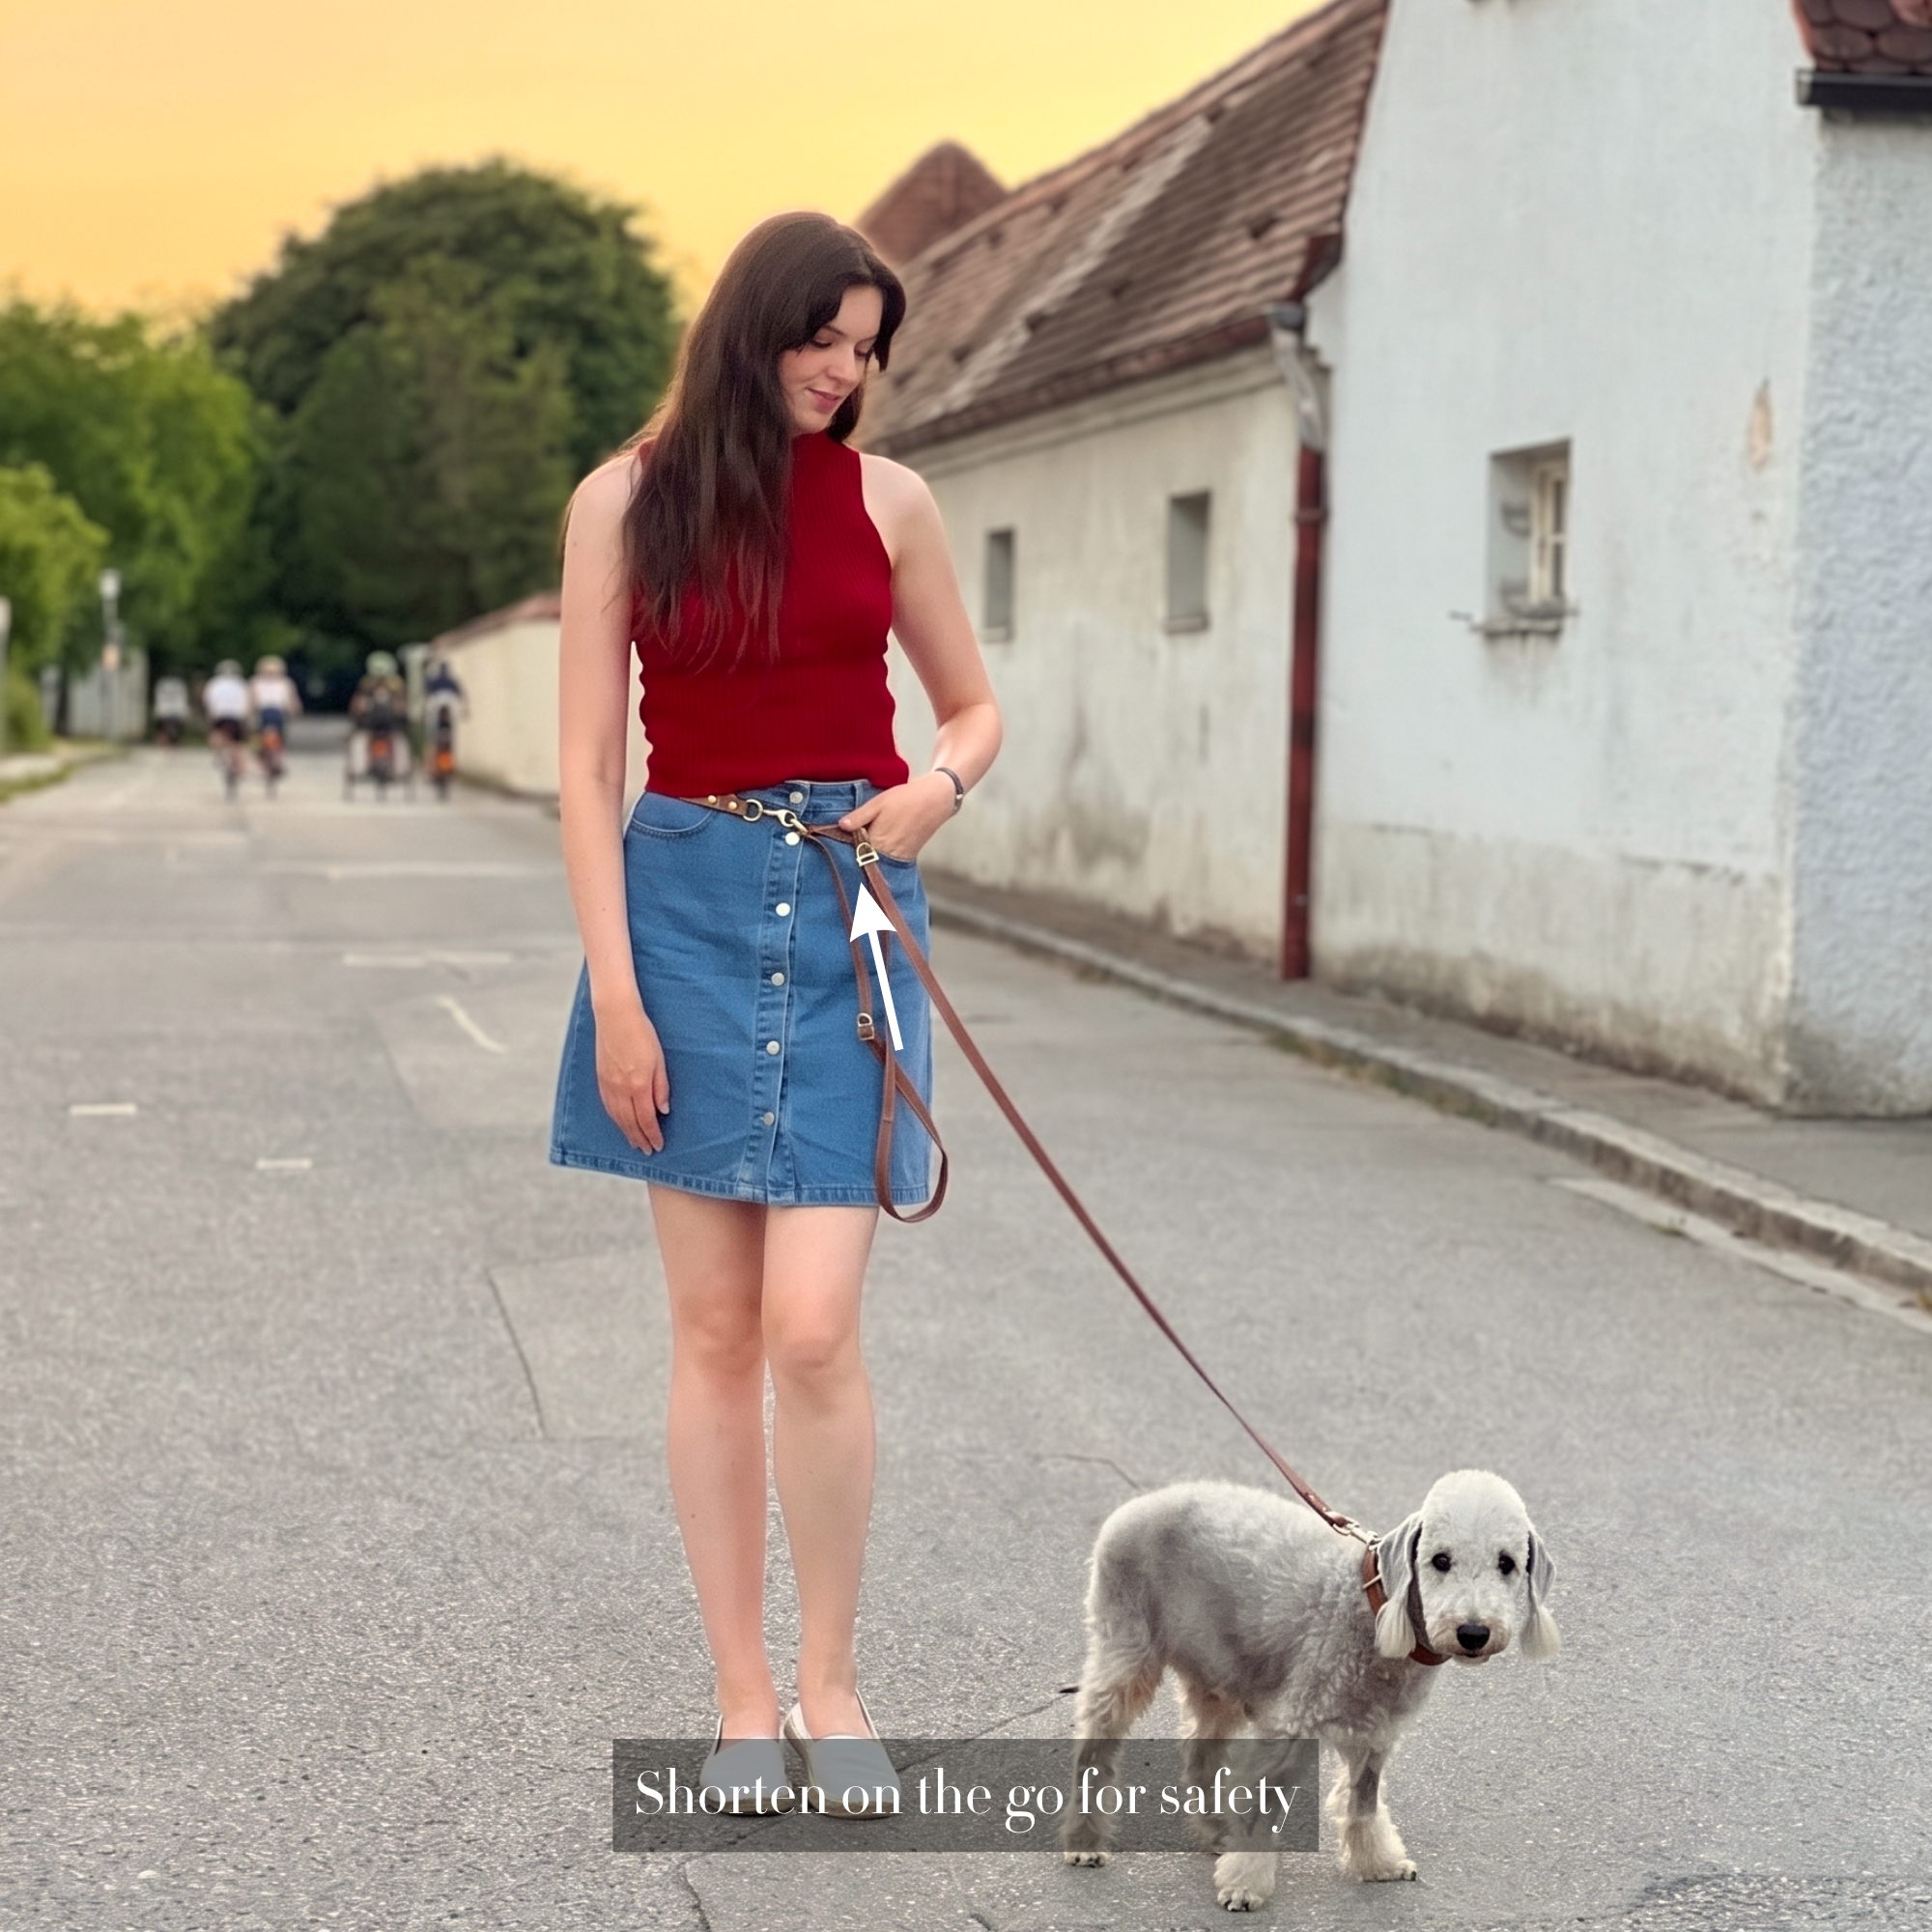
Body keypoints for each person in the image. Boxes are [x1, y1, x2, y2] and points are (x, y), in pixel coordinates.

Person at [551, 213, 1001, 1810]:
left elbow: (974, 704)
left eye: (869, 348)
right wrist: (616, 991)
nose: (848, 370)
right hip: (678, 903)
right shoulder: (625, 502)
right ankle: (744, 1702)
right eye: (827, 337)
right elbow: (593, 767)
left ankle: (833, 1683)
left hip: (851, 907)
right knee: (717, 1330)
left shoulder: (894, 501)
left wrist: (937, 787)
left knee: (814, 1325)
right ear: (755, 325)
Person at [202, 660, 249, 790]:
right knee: (238, 743)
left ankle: (219, 753)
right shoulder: (241, 684)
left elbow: (208, 700)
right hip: (236, 716)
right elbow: (246, 700)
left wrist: (210, 712)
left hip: (220, 715)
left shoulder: (214, 683)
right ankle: (240, 767)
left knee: (216, 734)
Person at [248, 654, 302, 739]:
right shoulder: (257, 682)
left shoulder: (284, 682)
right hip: (265, 711)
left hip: (276, 712)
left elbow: (290, 699)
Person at [152, 674, 189, 747]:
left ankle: (163, 747)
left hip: (163, 711)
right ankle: (173, 747)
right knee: (176, 733)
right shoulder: (180, 686)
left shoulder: (161, 684)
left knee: (162, 731)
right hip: (176, 712)